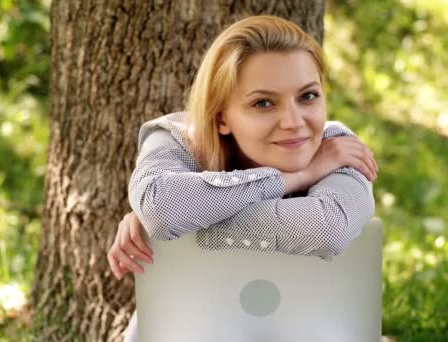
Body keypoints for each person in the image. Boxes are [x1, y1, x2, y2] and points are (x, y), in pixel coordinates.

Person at [106, 15, 378, 341]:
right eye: (263, 103)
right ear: (222, 118)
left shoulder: (338, 147)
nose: (294, 122)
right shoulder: (175, 139)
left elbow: (327, 228)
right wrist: (295, 177)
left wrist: (182, 220)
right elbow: (162, 207)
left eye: (307, 96)